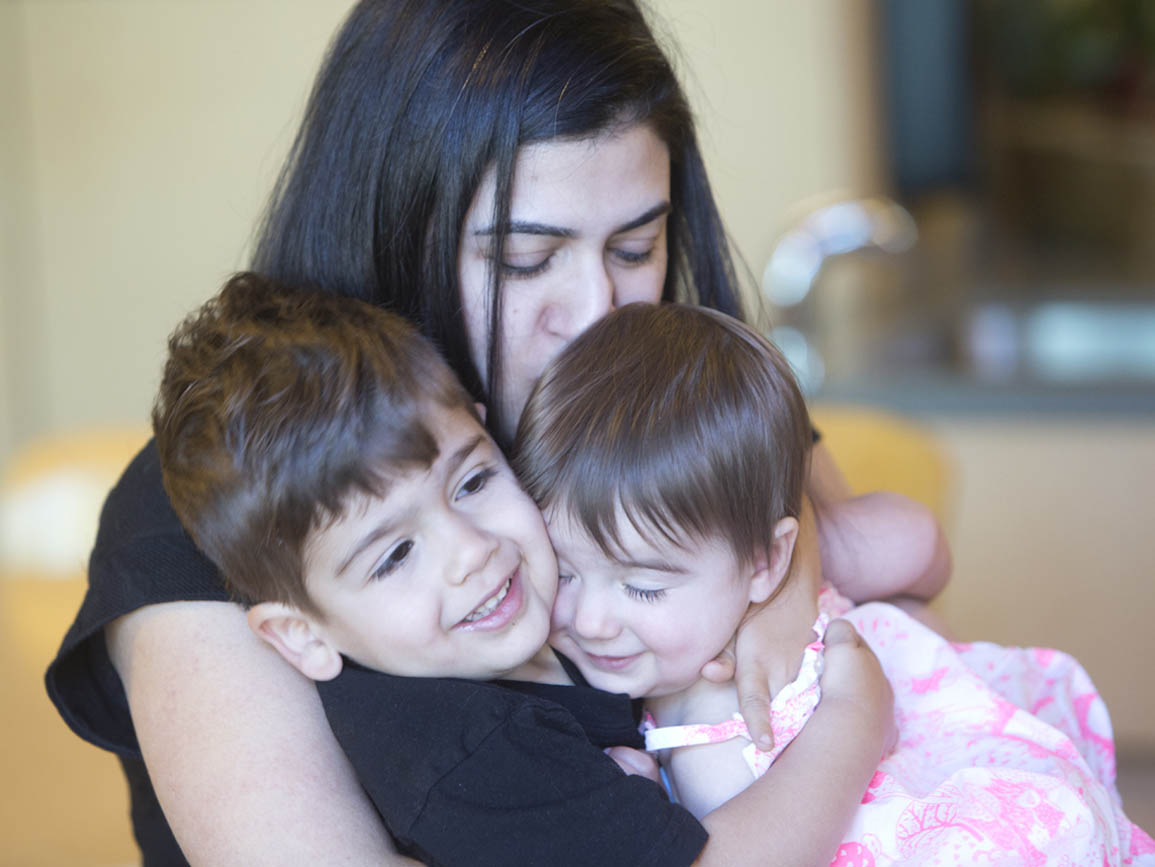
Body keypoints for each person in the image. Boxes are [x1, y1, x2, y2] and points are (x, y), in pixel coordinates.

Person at [46, 0, 947, 862]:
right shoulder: (222, 514)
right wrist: (828, 702)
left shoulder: (669, 402)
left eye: (635, 247)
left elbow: (911, 594)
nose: (596, 311)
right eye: (527, 259)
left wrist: (788, 581)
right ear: (396, 229)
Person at [148, 271, 897, 866]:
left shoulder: (531, 629)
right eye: (396, 553)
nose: (473, 549)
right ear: (300, 633)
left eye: (472, 481)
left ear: (486, 428)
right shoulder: (471, 753)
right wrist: (852, 722)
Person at [516, 302, 1155, 865]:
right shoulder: (744, 632)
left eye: (646, 588)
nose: (591, 619)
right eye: (564, 571)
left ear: (768, 561)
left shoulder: (722, 734)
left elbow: (917, 541)